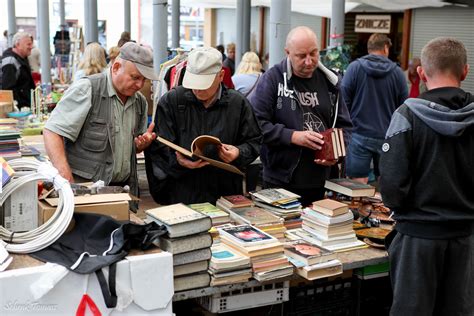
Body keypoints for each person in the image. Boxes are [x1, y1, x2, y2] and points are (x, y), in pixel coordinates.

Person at [380, 37, 474, 315]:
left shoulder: (406, 116)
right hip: (465, 241)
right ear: (465, 71)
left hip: (417, 240)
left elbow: (392, 185)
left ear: (421, 73)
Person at [249, 26, 352, 206]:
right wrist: (292, 136)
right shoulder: (273, 79)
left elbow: (345, 127)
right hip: (280, 179)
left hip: (320, 181)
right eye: (301, 56)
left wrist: (336, 153)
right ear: (287, 52)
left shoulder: (331, 81)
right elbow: (256, 124)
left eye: (313, 53)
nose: (309, 61)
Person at [43, 42, 158, 203]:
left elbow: (129, 145)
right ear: (116, 67)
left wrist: (140, 144)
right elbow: (52, 131)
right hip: (85, 191)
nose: (139, 85)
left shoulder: (139, 102)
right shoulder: (88, 89)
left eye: (144, 80)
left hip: (123, 191)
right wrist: (65, 178)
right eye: (135, 77)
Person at [145, 46, 261, 205]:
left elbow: (254, 141)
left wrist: (238, 153)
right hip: (181, 192)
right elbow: (159, 147)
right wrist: (178, 161)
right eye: (193, 82)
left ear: (221, 76)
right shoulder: (172, 101)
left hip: (225, 194)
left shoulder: (238, 104)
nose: (197, 90)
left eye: (204, 84)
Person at [341, 33, 407, 183]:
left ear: (369, 48)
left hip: (358, 134)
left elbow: (344, 102)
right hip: (387, 136)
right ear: (385, 48)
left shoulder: (354, 68)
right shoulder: (397, 73)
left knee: (357, 183)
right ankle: (383, 206)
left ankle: (358, 206)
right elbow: (403, 108)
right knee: (386, 180)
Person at [0, 31, 35, 106]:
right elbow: (8, 90)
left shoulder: (23, 58)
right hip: (18, 112)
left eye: (31, 44)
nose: (31, 47)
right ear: (17, 45)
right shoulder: (10, 62)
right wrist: (18, 109)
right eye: (28, 44)